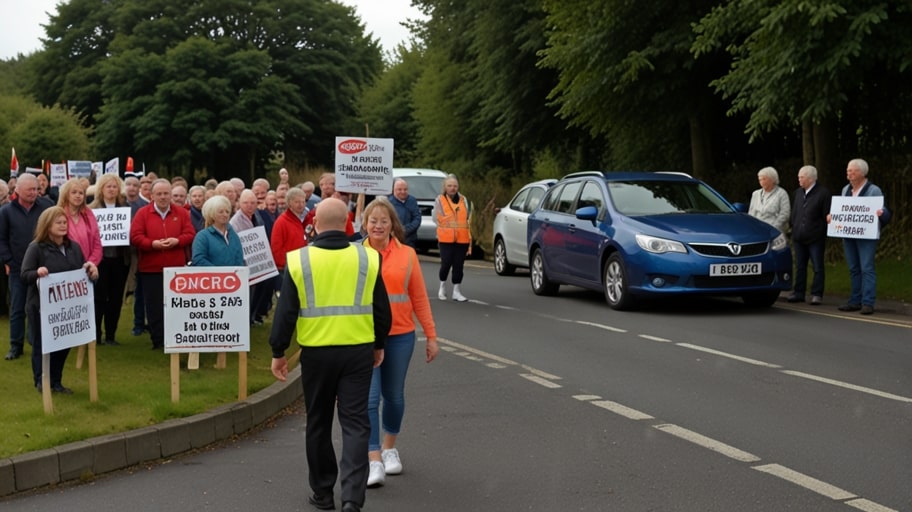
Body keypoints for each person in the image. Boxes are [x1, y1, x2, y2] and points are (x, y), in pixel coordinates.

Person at [269, 198, 391, 512]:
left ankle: (323, 493)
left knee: (319, 422)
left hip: (317, 354)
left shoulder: (299, 260)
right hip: (357, 352)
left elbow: (285, 313)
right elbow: (382, 311)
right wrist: (379, 344)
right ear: (348, 224)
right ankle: (352, 497)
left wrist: (278, 351)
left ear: (316, 225)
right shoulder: (368, 258)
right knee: (355, 424)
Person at [360, 197, 438, 487]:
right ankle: (373, 458)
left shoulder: (407, 255)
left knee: (393, 396)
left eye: (384, 221)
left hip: (401, 335)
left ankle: (389, 447)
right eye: (373, 221)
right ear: (365, 225)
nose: (378, 226)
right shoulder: (356, 254)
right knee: (369, 399)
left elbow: (418, 297)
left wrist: (431, 336)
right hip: (365, 337)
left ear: (393, 225)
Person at [22, 206, 99, 393]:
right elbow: (24, 275)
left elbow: (81, 273)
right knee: (43, 345)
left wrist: (92, 271)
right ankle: (42, 380)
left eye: (65, 222)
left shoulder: (74, 247)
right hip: (41, 306)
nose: (63, 225)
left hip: (68, 308)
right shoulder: (36, 248)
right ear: (47, 226)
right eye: (58, 222)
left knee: (64, 343)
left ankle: (56, 381)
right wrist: (37, 273)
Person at [130, 179, 196, 349]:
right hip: (151, 268)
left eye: (166, 193)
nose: (163, 197)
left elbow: (190, 233)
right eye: (159, 194)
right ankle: (158, 340)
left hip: (176, 269)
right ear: (151, 196)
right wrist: (152, 244)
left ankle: (176, 336)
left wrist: (177, 241)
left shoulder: (181, 213)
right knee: (155, 306)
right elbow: (135, 236)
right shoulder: (142, 213)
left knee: (177, 305)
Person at [0, 173, 54, 360]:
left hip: (44, 268)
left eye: (36, 189)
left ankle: (38, 341)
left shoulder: (46, 207)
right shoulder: (6, 212)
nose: (34, 192)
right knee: (17, 308)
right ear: (18, 191)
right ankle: (16, 346)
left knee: (41, 307)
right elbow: (1, 239)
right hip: (18, 269)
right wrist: (8, 260)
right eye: (30, 189)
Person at [829, 158, 892, 315]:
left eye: (852, 171)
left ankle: (868, 302)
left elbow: (885, 213)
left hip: (866, 236)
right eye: (848, 170)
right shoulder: (845, 190)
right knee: (853, 268)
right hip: (848, 234)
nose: (848, 173)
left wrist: (881, 214)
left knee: (867, 268)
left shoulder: (873, 190)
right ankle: (855, 300)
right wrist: (833, 217)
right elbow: (842, 211)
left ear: (862, 173)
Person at [89, 174, 131, 345]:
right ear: (101, 189)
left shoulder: (125, 207)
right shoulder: (92, 208)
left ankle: (111, 334)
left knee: (115, 298)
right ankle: (96, 334)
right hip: (100, 261)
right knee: (99, 298)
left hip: (120, 259)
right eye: (108, 186)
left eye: (114, 186)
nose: (112, 189)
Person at [787, 165, 831, 306]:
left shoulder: (823, 193)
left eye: (802, 177)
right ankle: (799, 292)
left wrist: (820, 231)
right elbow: (795, 212)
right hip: (799, 236)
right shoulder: (798, 193)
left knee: (817, 266)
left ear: (811, 178)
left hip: (815, 237)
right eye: (799, 177)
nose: (799, 179)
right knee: (800, 266)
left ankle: (816, 293)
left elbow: (827, 216)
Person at [434, 173, 473, 302]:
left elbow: (467, 216)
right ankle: (442, 286)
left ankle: (456, 291)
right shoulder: (440, 200)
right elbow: (436, 218)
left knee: (458, 265)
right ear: (445, 187)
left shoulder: (463, 200)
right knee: (446, 263)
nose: (452, 188)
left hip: (462, 238)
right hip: (446, 238)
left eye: (455, 186)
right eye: (449, 186)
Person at [192, 195, 245, 267]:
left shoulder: (233, 235)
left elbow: (239, 258)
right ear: (211, 213)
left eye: (227, 211)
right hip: (214, 277)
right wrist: (220, 273)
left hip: (233, 277)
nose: (225, 214)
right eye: (221, 212)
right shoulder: (202, 236)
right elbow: (198, 260)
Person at [270, 187, 308, 275]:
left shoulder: (297, 220)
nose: (301, 205)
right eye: (297, 202)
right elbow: (276, 250)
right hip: (287, 270)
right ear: (289, 203)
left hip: (298, 268)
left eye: (303, 202)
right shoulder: (281, 222)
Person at [748, 166, 790, 233]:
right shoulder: (755, 194)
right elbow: (751, 213)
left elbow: (785, 214)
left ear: (772, 179)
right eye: (760, 180)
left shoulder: (782, 193)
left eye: (764, 179)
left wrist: (773, 228)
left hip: (774, 230)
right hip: (757, 230)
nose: (761, 182)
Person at [388, 178, 421, 249]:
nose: (403, 192)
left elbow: (417, 218)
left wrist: (406, 230)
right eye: (399, 189)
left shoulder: (412, 201)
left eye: (405, 189)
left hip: (410, 240)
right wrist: (397, 231)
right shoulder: (388, 203)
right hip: (393, 240)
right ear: (393, 190)